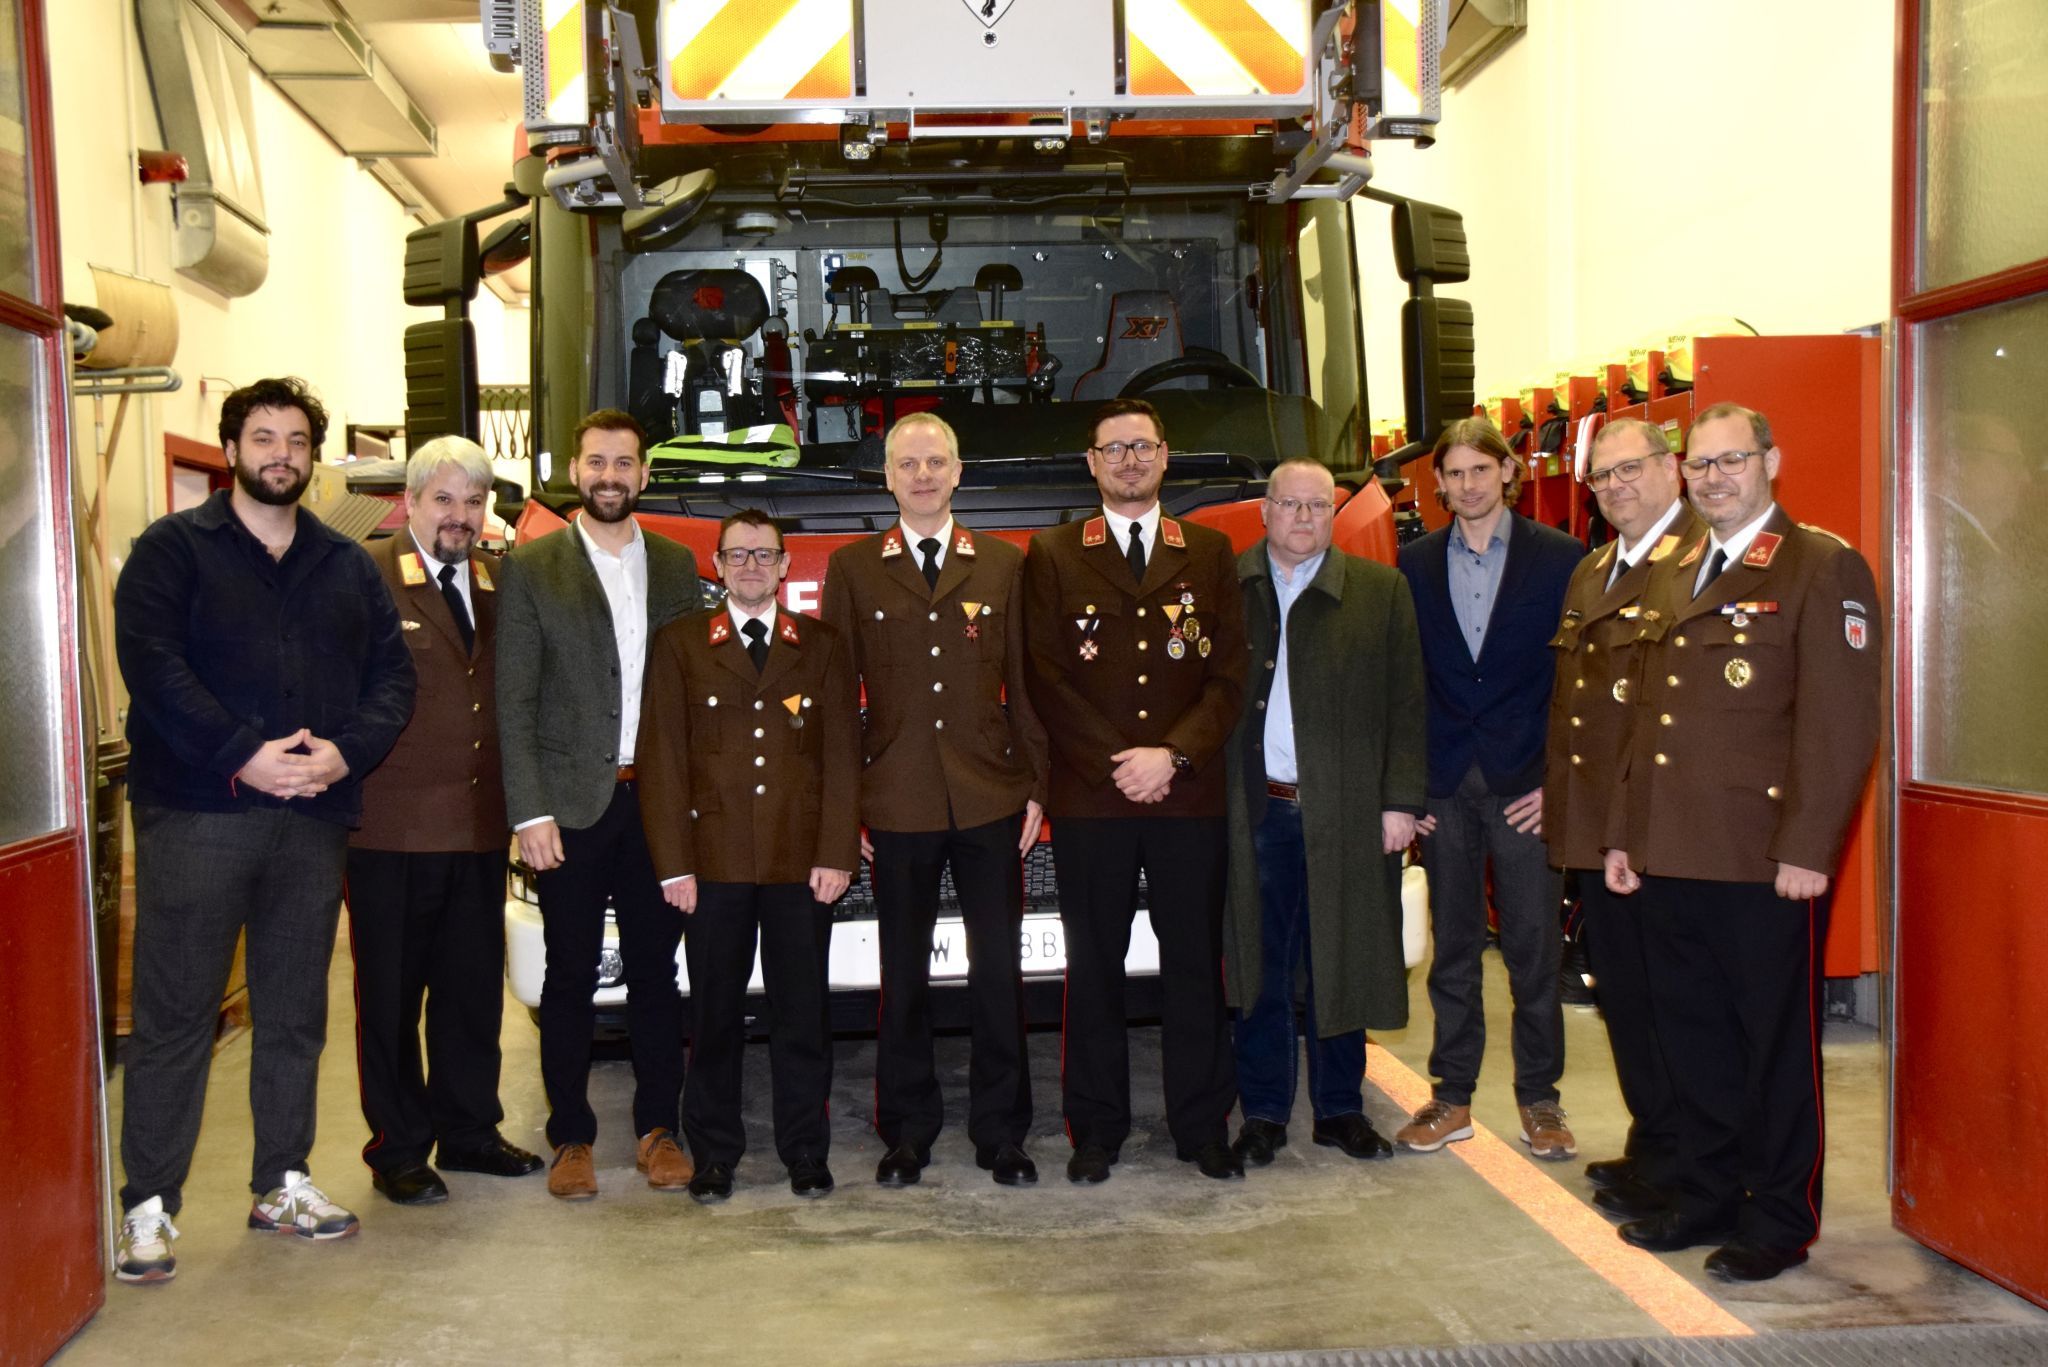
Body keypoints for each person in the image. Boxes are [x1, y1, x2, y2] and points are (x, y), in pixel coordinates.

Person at [111, 377, 415, 1282]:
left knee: (294, 1011)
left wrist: (339, 757)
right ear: (233, 447)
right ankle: (148, 1205)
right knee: (175, 1018)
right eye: (262, 437)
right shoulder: (172, 551)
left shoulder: (347, 563)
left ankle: (281, 1178)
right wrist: (245, 753)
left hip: (312, 818)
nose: (279, 452)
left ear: (312, 455)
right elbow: (155, 670)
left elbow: (392, 682)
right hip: (203, 811)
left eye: (294, 439)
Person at [1603, 402, 1881, 1282]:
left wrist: (1810, 846)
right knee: (1693, 1040)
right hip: (1670, 851)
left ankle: (1779, 1216)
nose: (1713, 477)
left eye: (1732, 460)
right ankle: (1708, 1192)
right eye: (1700, 463)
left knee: (1772, 1046)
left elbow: (1840, 726)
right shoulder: (1677, 564)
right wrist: (1624, 834)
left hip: (1765, 861)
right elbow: (1648, 716)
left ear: (1772, 460)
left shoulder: (1818, 564)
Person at [1021, 398, 1248, 1184]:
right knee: (1095, 969)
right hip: (1094, 797)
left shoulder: (1213, 551)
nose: (1128, 460)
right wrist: (1121, 758)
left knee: (1194, 965)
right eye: (1112, 449)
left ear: (1165, 455)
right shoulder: (1051, 554)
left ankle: (1201, 1124)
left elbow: (1228, 678)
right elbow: (1043, 675)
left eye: (1141, 446)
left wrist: (1173, 756)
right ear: (1091, 463)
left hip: (1189, 797)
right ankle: (1097, 1126)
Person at [820, 414, 1049, 1188]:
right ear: (887, 476)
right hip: (897, 800)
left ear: (959, 474)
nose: (922, 475)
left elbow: (1026, 687)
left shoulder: (1003, 565)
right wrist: (846, 804)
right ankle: (907, 1130)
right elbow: (834, 700)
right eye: (906, 463)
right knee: (903, 977)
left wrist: (1036, 790)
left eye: (936, 462)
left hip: (989, 794)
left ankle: (1002, 1131)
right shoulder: (854, 569)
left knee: (998, 975)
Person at [495, 409, 703, 1200]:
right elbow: (513, 701)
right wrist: (529, 812)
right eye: (596, 462)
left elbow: (695, 698)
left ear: (645, 474)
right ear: (575, 472)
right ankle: (571, 1137)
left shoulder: (682, 568)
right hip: (570, 811)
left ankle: (658, 1128)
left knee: (657, 973)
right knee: (569, 977)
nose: (610, 475)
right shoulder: (532, 566)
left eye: (624, 462)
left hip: (657, 804)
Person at [637, 509, 860, 1202]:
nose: (752, 567)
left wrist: (836, 851)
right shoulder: (680, 644)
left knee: (803, 1016)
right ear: (719, 566)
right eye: (738, 556)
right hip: (713, 865)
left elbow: (843, 759)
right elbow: (663, 759)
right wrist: (673, 862)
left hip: (801, 864)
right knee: (714, 1017)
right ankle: (714, 1153)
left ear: (787, 565)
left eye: (765, 555)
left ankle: (805, 1150)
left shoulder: (820, 644)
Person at [347, 436, 542, 1206]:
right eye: (445, 500)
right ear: (413, 501)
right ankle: (397, 1146)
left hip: (477, 826)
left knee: (469, 993)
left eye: (474, 500)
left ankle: (468, 1131)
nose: (460, 516)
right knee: (391, 998)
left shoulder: (501, 578)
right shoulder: (366, 576)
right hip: (389, 829)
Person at [1222, 459, 1426, 1169]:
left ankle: (1341, 1109)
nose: (1304, 518)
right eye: (1290, 504)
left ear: (1334, 515)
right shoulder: (1227, 585)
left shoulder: (1379, 591)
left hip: (1347, 812)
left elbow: (1406, 702)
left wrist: (1401, 801)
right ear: (1265, 510)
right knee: (1260, 966)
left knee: (1343, 959)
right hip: (1257, 811)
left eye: (1318, 506)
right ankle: (1265, 1113)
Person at [1395, 417, 1582, 1160]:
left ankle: (1541, 1099)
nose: (1468, 484)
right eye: (1456, 473)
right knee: (1455, 947)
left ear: (1508, 472)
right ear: (1436, 484)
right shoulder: (1411, 565)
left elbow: (1580, 685)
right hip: (1443, 788)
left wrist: (1559, 782)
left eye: (1482, 469)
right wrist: (1409, 791)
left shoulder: (1564, 559)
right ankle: (1452, 1096)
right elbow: (1402, 685)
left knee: (1535, 947)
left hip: (1524, 786)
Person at [1544, 419, 1705, 1218]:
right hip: (1600, 830)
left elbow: (1668, 721)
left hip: (1657, 833)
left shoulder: (1702, 562)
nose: (1616, 488)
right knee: (1629, 1003)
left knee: (1681, 1010)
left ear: (1672, 469)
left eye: (1630, 470)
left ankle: (1692, 1164)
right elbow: (1576, 713)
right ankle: (1656, 1142)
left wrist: (1629, 831)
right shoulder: (1596, 570)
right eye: (1601, 478)